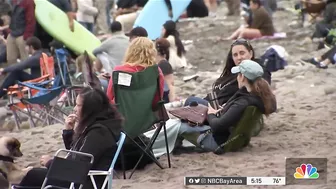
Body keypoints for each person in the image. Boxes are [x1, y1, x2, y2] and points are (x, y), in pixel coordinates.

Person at [19, 87, 123, 189]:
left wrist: (51, 163)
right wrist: (69, 131)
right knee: (30, 174)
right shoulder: (98, 125)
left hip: (85, 182)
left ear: (90, 109)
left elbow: (78, 167)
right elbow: (77, 154)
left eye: (78, 105)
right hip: (80, 179)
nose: (74, 109)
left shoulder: (99, 133)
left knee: (30, 175)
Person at [177, 60, 277, 152]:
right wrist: (226, 108)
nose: (237, 77)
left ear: (242, 77)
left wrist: (210, 113)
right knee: (193, 102)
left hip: (219, 142)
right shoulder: (257, 97)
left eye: (238, 74)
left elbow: (217, 126)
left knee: (178, 126)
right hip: (234, 138)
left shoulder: (243, 102)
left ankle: (177, 147)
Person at [185, 38, 271, 108]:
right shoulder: (233, 72)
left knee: (190, 101)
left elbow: (262, 88)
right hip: (214, 102)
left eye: (242, 53)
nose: (239, 58)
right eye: (235, 55)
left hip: (220, 109)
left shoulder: (256, 70)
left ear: (251, 53)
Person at [106, 37, 164, 105]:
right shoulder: (156, 72)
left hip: (122, 112)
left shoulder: (119, 71)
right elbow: (157, 100)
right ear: (152, 53)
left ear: (130, 51)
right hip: (148, 113)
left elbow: (109, 98)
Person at [7, 0, 36, 64]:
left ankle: (26, 73)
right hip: (12, 33)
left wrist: (26, 36)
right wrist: (10, 30)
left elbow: (31, 20)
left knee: (25, 61)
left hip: (23, 35)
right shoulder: (14, 1)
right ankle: (12, 73)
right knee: (10, 59)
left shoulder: (28, 2)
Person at [155, 38, 176, 103]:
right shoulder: (160, 64)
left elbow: (170, 84)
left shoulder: (163, 64)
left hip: (165, 99)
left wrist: (171, 102)